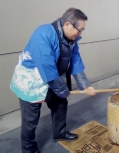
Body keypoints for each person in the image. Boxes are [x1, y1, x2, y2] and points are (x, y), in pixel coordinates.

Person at [10, 8, 96, 153]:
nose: (80, 33)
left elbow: (75, 60)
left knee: (60, 105)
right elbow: (46, 66)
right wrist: (62, 90)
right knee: (30, 119)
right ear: (68, 24)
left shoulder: (71, 39)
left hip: (52, 78)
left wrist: (85, 85)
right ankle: (28, 149)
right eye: (79, 30)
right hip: (31, 80)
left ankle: (60, 133)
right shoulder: (43, 33)